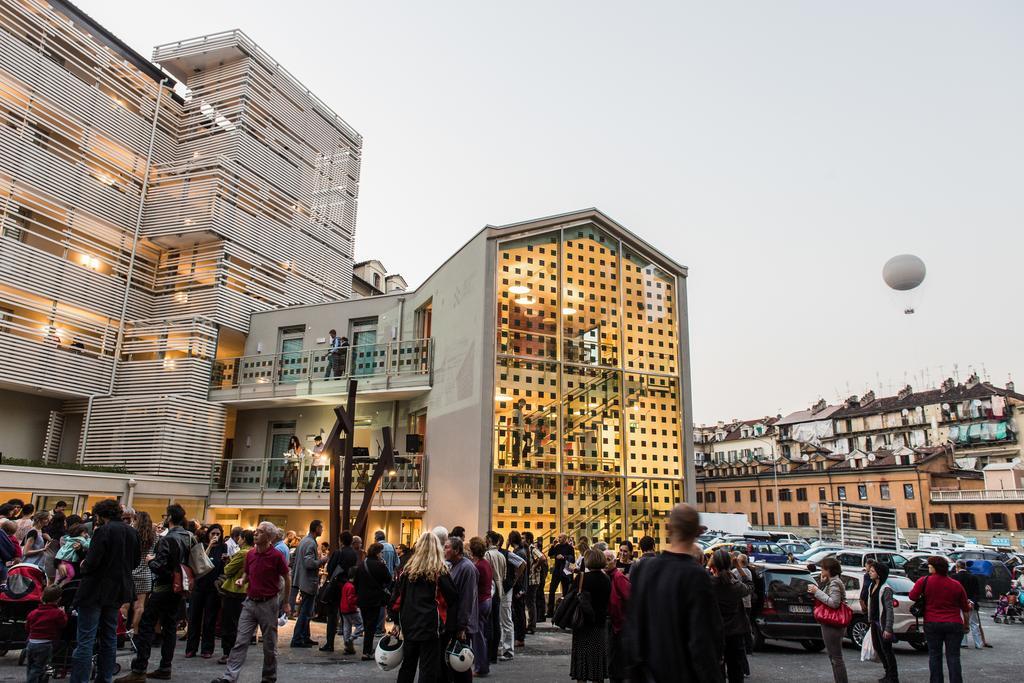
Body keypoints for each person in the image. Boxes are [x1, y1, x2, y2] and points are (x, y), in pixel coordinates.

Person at [625, 503, 723, 682]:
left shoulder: (643, 570)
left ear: (669, 529)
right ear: (697, 532)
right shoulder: (697, 576)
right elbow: (703, 643)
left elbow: (633, 631)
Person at [117, 504, 194, 683]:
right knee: (170, 628)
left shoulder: (168, 539)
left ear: (170, 518)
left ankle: (139, 669)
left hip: (163, 587)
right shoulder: (189, 537)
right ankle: (165, 667)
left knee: (146, 626)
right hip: (179, 587)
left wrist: (151, 561)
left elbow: (160, 566)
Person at [212, 522, 292, 683]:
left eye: (260, 532)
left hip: (268, 603)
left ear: (269, 537)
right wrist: (242, 580)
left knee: (269, 645)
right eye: (256, 531)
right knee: (240, 641)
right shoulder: (251, 554)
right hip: (250, 602)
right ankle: (229, 677)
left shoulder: (276, 556)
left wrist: (286, 602)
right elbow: (247, 573)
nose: (255, 534)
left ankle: (269, 677)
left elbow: (287, 577)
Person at [72, 499, 140, 683]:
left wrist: (84, 564)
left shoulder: (103, 531)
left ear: (101, 515)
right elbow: (135, 561)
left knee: (86, 637)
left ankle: (80, 679)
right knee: (109, 635)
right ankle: (105, 677)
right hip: (118, 589)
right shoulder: (132, 532)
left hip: (96, 588)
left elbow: (93, 562)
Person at [389, 532, 459, 683]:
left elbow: (396, 598)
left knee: (408, 665)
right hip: (430, 624)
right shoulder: (439, 571)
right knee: (428, 668)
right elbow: (452, 597)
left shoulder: (407, 570)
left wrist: (396, 620)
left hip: (409, 623)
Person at [909, 555, 970, 683]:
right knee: (953, 656)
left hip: (932, 622)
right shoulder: (956, 585)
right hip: (954, 623)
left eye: (930, 566)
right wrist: (966, 624)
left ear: (935, 568)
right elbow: (965, 607)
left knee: (935, 656)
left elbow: (912, 596)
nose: (928, 568)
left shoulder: (924, 581)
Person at [186, 523, 228, 658]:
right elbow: (200, 562)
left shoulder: (223, 547)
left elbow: (224, 567)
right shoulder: (201, 546)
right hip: (199, 586)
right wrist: (210, 545)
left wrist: (226, 561)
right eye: (213, 533)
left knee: (210, 619)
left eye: (218, 534)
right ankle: (191, 648)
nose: (215, 536)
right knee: (194, 618)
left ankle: (207, 649)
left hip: (213, 587)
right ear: (208, 534)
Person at [569, 549, 611, 683]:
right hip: (599, 624)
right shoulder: (606, 579)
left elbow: (572, 597)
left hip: (583, 624)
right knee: (597, 663)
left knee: (582, 664)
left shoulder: (582, 578)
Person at [710, 549, 751, 683]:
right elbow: (750, 586)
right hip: (735, 632)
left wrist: (707, 566)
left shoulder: (709, 585)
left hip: (716, 633)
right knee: (736, 671)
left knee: (717, 671)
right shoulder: (736, 586)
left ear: (713, 566)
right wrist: (738, 567)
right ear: (730, 565)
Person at [807, 557, 849, 683]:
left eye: (823, 568)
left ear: (829, 570)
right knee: (834, 657)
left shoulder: (835, 582)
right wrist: (821, 585)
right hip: (831, 623)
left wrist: (817, 591)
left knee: (836, 658)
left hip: (833, 624)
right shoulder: (832, 581)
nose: (821, 570)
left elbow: (834, 603)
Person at [444, 536, 478, 683]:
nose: (444, 550)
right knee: (454, 660)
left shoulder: (467, 568)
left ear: (457, 550)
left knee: (461, 662)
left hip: (462, 624)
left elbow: (467, 599)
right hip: (455, 622)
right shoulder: (454, 565)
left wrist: (462, 626)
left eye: (447, 547)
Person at [218, 529, 253, 664]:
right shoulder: (253, 552)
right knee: (240, 623)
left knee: (229, 623)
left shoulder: (243, 553)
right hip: (245, 590)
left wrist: (228, 562)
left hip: (234, 589)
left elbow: (228, 570)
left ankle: (228, 653)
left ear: (243, 539)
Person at [353, 542, 392, 660]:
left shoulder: (362, 564)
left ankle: (367, 649)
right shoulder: (380, 565)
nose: (382, 555)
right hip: (375, 599)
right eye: (381, 552)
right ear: (377, 552)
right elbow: (388, 579)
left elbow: (356, 582)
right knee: (371, 626)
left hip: (363, 599)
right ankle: (367, 651)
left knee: (366, 624)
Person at [290, 519, 326, 648]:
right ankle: (297, 638)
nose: (322, 530)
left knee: (307, 611)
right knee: (305, 612)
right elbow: (309, 563)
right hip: (308, 581)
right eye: (321, 528)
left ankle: (305, 636)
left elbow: (294, 559)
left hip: (302, 579)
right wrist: (322, 560)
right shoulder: (310, 543)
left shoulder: (304, 541)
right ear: (316, 528)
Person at [322, 530, 359, 651]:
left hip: (336, 586)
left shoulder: (338, 552)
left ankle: (330, 643)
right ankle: (348, 644)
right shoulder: (354, 554)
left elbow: (331, 569)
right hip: (347, 586)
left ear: (341, 540)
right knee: (346, 617)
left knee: (332, 615)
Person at [25, 584, 67, 683]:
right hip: (45, 644)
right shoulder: (58, 613)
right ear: (59, 599)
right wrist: (64, 613)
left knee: (30, 666)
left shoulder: (33, 612)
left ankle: (31, 679)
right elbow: (63, 624)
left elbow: (27, 627)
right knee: (38, 667)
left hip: (31, 642)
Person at [867, 562, 899, 683]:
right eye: (870, 570)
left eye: (873, 571)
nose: (870, 572)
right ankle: (887, 673)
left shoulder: (885, 589)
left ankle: (893, 677)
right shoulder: (872, 586)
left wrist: (888, 628)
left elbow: (889, 610)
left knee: (887, 650)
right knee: (878, 648)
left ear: (879, 574)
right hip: (874, 622)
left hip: (882, 623)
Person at [604, 549, 631, 683]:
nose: (606, 563)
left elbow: (630, 597)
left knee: (615, 657)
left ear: (615, 561)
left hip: (617, 622)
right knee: (611, 656)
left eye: (609, 560)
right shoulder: (605, 575)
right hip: (611, 621)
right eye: (604, 560)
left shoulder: (618, 577)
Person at [468, 537, 493, 676]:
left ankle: (480, 667)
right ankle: (482, 664)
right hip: (487, 599)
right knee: (481, 634)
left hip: (480, 602)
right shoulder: (485, 563)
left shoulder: (477, 566)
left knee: (478, 636)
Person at [952, 559, 989, 649]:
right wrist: (971, 601)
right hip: (971, 604)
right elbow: (977, 592)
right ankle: (978, 643)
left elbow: (953, 592)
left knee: (961, 622)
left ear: (957, 567)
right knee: (974, 624)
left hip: (959, 604)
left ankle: (963, 642)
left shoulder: (954, 577)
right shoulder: (973, 577)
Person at [130, 512, 157, 635]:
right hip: (145, 572)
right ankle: (135, 631)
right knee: (140, 605)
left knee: (124, 605)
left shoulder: (132, 534)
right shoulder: (154, 536)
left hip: (130, 571)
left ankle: (120, 633)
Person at [508, 530, 530, 648]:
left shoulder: (519, 552)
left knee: (519, 612)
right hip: (520, 587)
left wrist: (516, 584)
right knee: (519, 612)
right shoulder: (520, 551)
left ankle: (520, 637)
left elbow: (520, 571)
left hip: (519, 587)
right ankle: (519, 636)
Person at [731, 553, 755, 661]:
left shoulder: (735, 572)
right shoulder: (749, 572)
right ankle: (749, 647)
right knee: (747, 624)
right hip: (748, 603)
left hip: (739, 603)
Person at [523, 531, 546, 633]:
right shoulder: (526, 549)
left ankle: (532, 626)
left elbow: (542, 558)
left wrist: (535, 566)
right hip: (530, 579)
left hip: (533, 580)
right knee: (529, 602)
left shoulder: (532, 548)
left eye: (523, 538)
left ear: (528, 540)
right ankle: (530, 624)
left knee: (531, 603)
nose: (521, 540)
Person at [547, 533, 574, 617]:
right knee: (552, 591)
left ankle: (563, 612)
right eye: (558, 537)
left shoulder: (570, 547)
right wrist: (553, 545)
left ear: (565, 538)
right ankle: (550, 612)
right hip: (556, 571)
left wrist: (563, 557)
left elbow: (572, 559)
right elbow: (550, 554)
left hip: (565, 572)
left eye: (560, 537)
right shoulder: (557, 546)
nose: (558, 538)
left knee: (565, 592)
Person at [339, 567, 363, 655]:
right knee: (360, 625)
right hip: (351, 609)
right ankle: (351, 639)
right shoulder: (352, 587)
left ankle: (347, 645)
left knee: (346, 627)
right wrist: (358, 600)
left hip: (344, 609)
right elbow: (351, 600)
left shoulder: (346, 585)